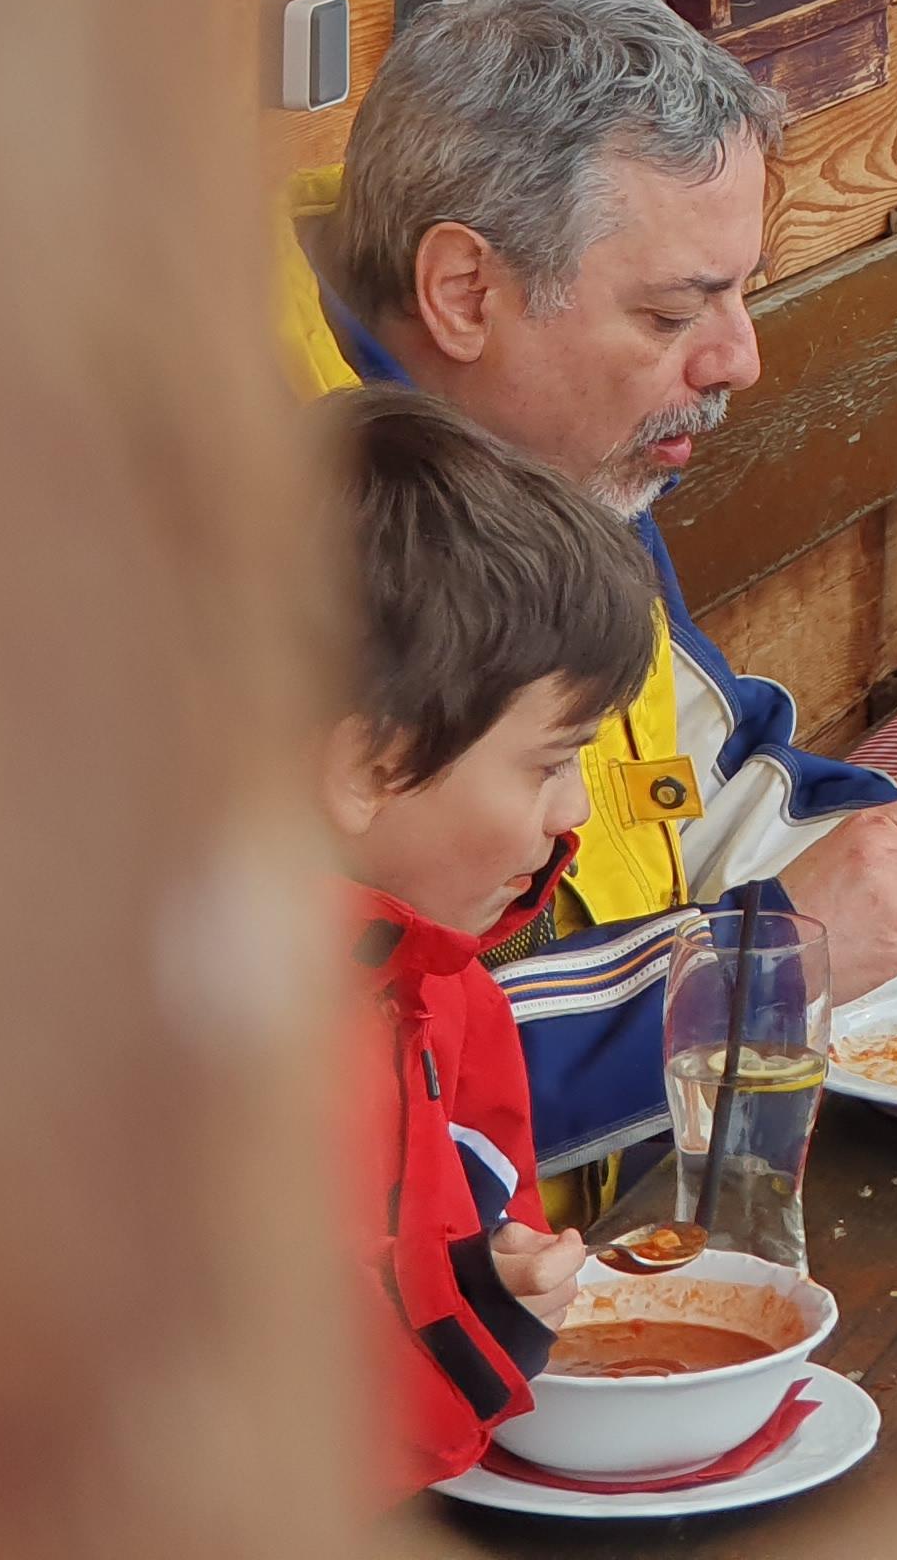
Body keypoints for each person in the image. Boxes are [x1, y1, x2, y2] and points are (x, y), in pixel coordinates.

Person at [284, 0, 897, 1187]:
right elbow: (321, 1069)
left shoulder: (552, 464)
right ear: (463, 292)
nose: (740, 358)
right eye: (672, 314)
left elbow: (720, 788)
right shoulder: (252, 552)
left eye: (742, 289)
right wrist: (760, 962)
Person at [319, 388, 653, 1498]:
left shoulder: (442, 997)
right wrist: (461, 1321)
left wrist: (495, 1290)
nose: (576, 812)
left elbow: (467, 1252)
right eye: (551, 762)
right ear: (371, 766)